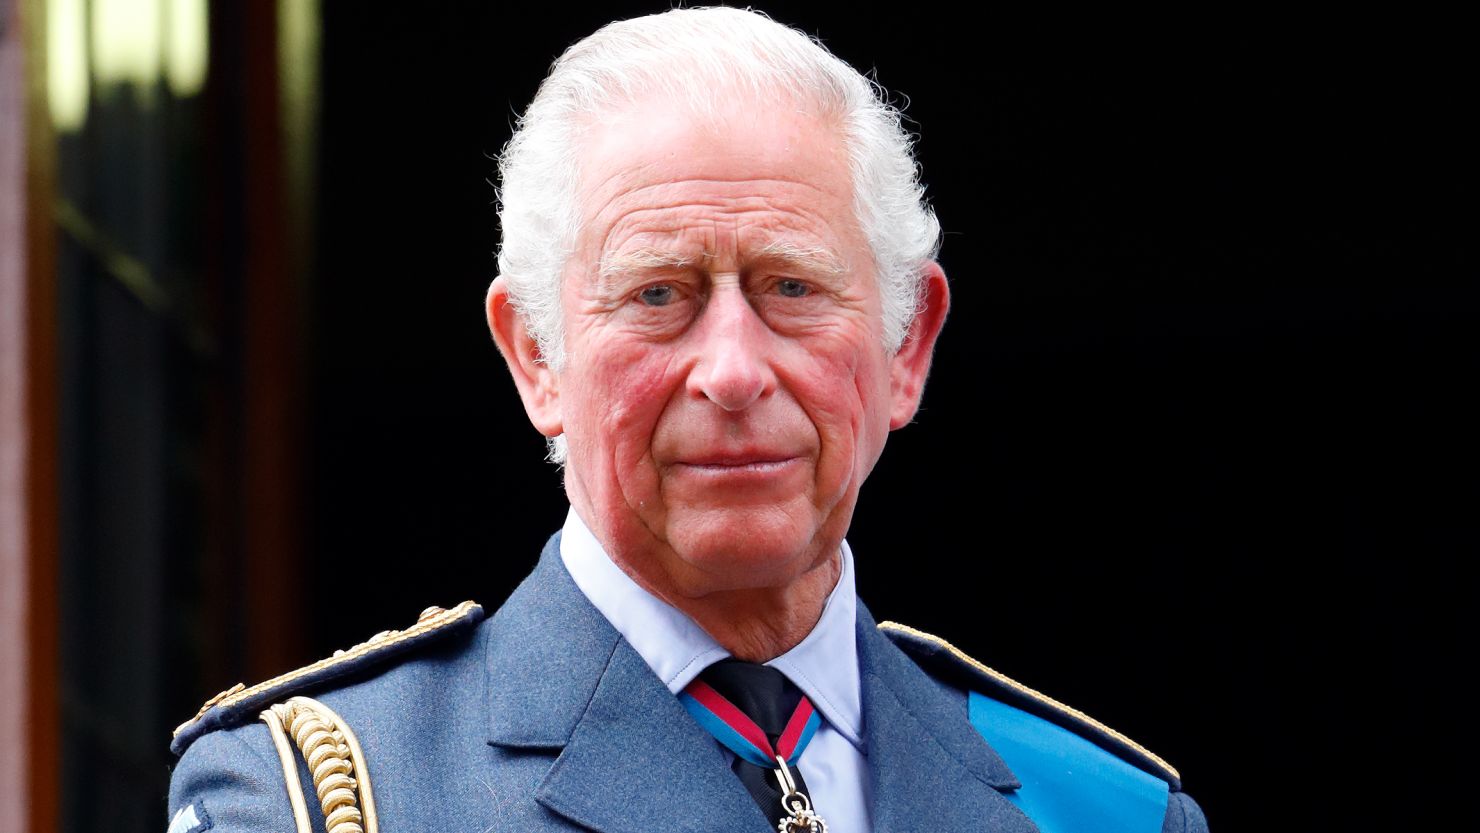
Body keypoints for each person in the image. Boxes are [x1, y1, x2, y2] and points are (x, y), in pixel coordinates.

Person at [165, 8, 1208, 833]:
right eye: (658, 294)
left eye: (792, 287)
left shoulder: (1098, 808)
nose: (734, 368)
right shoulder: (325, 794)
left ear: (905, 346)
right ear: (535, 354)